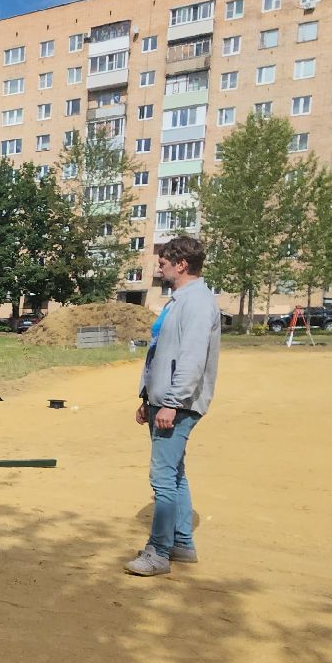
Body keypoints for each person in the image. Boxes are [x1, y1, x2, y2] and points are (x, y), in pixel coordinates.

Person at [127, 234, 220, 577]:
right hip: (162, 402)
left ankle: (159, 552)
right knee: (176, 474)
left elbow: (192, 359)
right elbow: (159, 355)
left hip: (176, 406)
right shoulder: (179, 301)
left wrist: (171, 403)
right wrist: (146, 398)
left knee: (162, 477)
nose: (159, 266)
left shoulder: (196, 303)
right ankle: (182, 542)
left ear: (182, 264)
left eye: (164, 261)